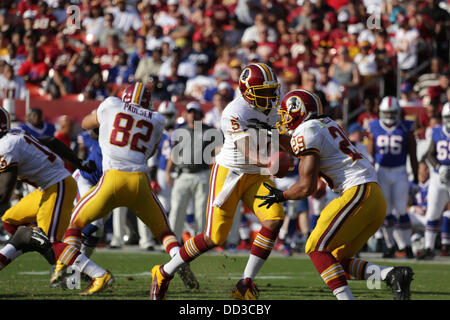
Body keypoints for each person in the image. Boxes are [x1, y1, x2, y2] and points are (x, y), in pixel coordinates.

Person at [256, 89, 414, 300]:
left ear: (299, 112)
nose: (284, 119)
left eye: (287, 113)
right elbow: (300, 148)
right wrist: (276, 136)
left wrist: (281, 195)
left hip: (357, 192)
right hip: (373, 196)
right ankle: (392, 275)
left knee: (315, 248)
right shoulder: (325, 124)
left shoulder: (306, 133)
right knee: (334, 261)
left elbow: (307, 188)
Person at [150, 63, 285, 300]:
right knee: (214, 237)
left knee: (274, 219)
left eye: (271, 90)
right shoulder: (234, 111)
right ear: (247, 91)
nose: (270, 96)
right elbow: (244, 148)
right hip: (230, 173)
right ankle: (164, 271)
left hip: (257, 174)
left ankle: (245, 284)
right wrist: (269, 161)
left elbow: (279, 135)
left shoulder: (273, 104)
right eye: (263, 91)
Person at [49, 82, 198, 295]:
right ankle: (178, 261)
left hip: (112, 179)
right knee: (164, 232)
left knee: (75, 224)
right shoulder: (157, 119)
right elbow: (149, 153)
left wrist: (102, 119)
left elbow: (85, 124)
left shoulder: (112, 104)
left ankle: (73, 268)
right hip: (139, 180)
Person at [0, 107, 96, 271]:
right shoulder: (14, 135)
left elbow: (4, 194)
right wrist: (79, 163)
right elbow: (51, 142)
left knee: (49, 241)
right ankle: (43, 248)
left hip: (56, 185)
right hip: (44, 188)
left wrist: (79, 164)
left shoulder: (7, 145)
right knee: (10, 220)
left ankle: (90, 273)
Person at [367, 96, 419, 259]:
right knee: (386, 210)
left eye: (392, 113)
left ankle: (407, 245)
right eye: (386, 113)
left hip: (400, 171)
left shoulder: (406, 127)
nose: (389, 116)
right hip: (381, 171)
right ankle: (391, 245)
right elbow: (370, 156)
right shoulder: (374, 126)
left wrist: (416, 177)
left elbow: (413, 154)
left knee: (402, 210)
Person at [165, 101, 217, 241]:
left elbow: (218, 151)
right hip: (183, 174)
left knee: (201, 212)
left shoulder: (209, 131)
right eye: (190, 112)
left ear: (201, 114)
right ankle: (172, 242)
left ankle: (199, 244)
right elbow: (174, 154)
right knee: (176, 210)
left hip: (202, 174)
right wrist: (167, 172)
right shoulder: (180, 131)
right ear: (186, 114)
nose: (192, 115)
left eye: (195, 112)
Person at [417, 102, 450, 260]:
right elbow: (430, 154)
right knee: (433, 211)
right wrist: (438, 166)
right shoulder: (437, 131)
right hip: (439, 176)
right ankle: (429, 247)